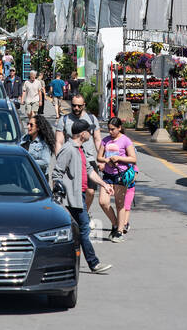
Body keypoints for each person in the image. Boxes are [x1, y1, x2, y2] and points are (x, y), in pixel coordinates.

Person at [51, 120, 111, 274]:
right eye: (88, 131)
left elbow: (90, 171)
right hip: (73, 198)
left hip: (81, 195)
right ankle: (93, 263)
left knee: (75, 231)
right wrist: (61, 195)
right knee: (84, 228)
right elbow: (57, 173)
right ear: (82, 133)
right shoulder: (69, 149)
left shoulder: (81, 149)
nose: (91, 134)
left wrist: (104, 184)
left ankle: (63, 262)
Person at [58, 93, 117, 235]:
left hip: (90, 159)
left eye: (79, 105)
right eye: (73, 105)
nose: (76, 108)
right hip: (72, 162)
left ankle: (85, 213)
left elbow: (98, 139)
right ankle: (79, 218)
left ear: (84, 105)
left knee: (90, 191)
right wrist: (61, 157)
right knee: (74, 192)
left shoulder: (91, 119)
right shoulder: (64, 119)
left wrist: (101, 158)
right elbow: (59, 141)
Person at [97, 116, 137, 240]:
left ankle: (119, 231)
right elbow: (99, 157)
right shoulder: (105, 140)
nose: (110, 132)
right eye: (109, 129)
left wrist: (119, 158)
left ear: (119, 128)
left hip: (120, 175)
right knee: (103, 202)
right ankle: (115, 223)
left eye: (113, 129)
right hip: (108, 175)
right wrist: (106, 160)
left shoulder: (125, 140)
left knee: (120, 204)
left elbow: (133, 158)